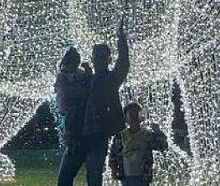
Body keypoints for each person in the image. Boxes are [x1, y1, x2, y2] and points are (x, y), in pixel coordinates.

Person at [57, 18, 130, 186]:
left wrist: (121, 39)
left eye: (103, 57)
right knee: (64, 179)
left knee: (94, 178)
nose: (99, 60)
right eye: (96, 56)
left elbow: (124, 64)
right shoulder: (85, 79)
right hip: (77, 137)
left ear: (109, 59)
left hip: (97, 138)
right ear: (92, 59)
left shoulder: (111, 79)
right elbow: (67, 93)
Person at [108, 102, 168, 186]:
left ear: (141, 118)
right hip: (126, 176)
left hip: (143, 176)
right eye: (131, 115)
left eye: (137, 115)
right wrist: (114, 169)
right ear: (125, 119)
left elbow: (162, 147)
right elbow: (113, 154)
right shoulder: (120, 137)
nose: (134, 118)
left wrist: (158, 132)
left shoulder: (147, 135)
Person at [54, 46, 93, 154]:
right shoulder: (63, 75)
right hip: (69, 101)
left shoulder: (79, 73)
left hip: (80, 100)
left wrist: (88, 71)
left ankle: (79, 137)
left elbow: (88, 82)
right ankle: (70, 137)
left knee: (79, 113)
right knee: (72, 113)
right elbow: (65, 91)